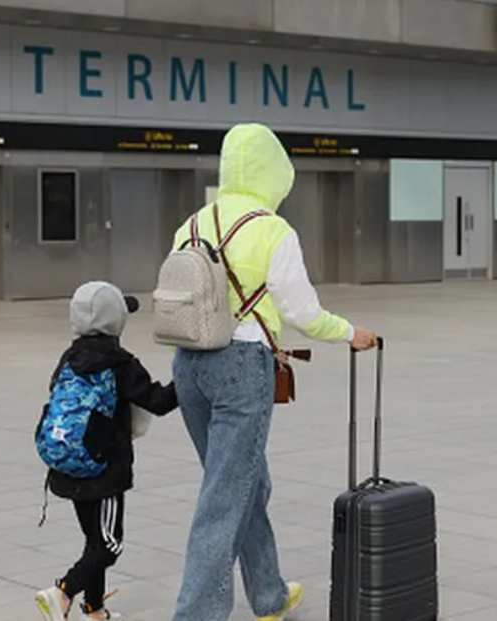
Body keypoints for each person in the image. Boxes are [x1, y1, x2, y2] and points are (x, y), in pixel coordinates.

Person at [169, 123, 378, 621]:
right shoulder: (271, 229)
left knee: (246, 484)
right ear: (274, 172)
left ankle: (269, 595)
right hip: (242, 366)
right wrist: (351, 333)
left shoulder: (193, 223)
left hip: (188, 365)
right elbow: (303, 313)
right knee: (224, 497)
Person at [35, 281, 179, 621]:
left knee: (93, 541)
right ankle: (63, 592)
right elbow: (157, 402)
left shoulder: (68, 359)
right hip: (105, 471)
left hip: (68, 464)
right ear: (115, 321)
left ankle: (95, 610)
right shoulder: (121, 363)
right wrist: (189, 378)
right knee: (110, 545)